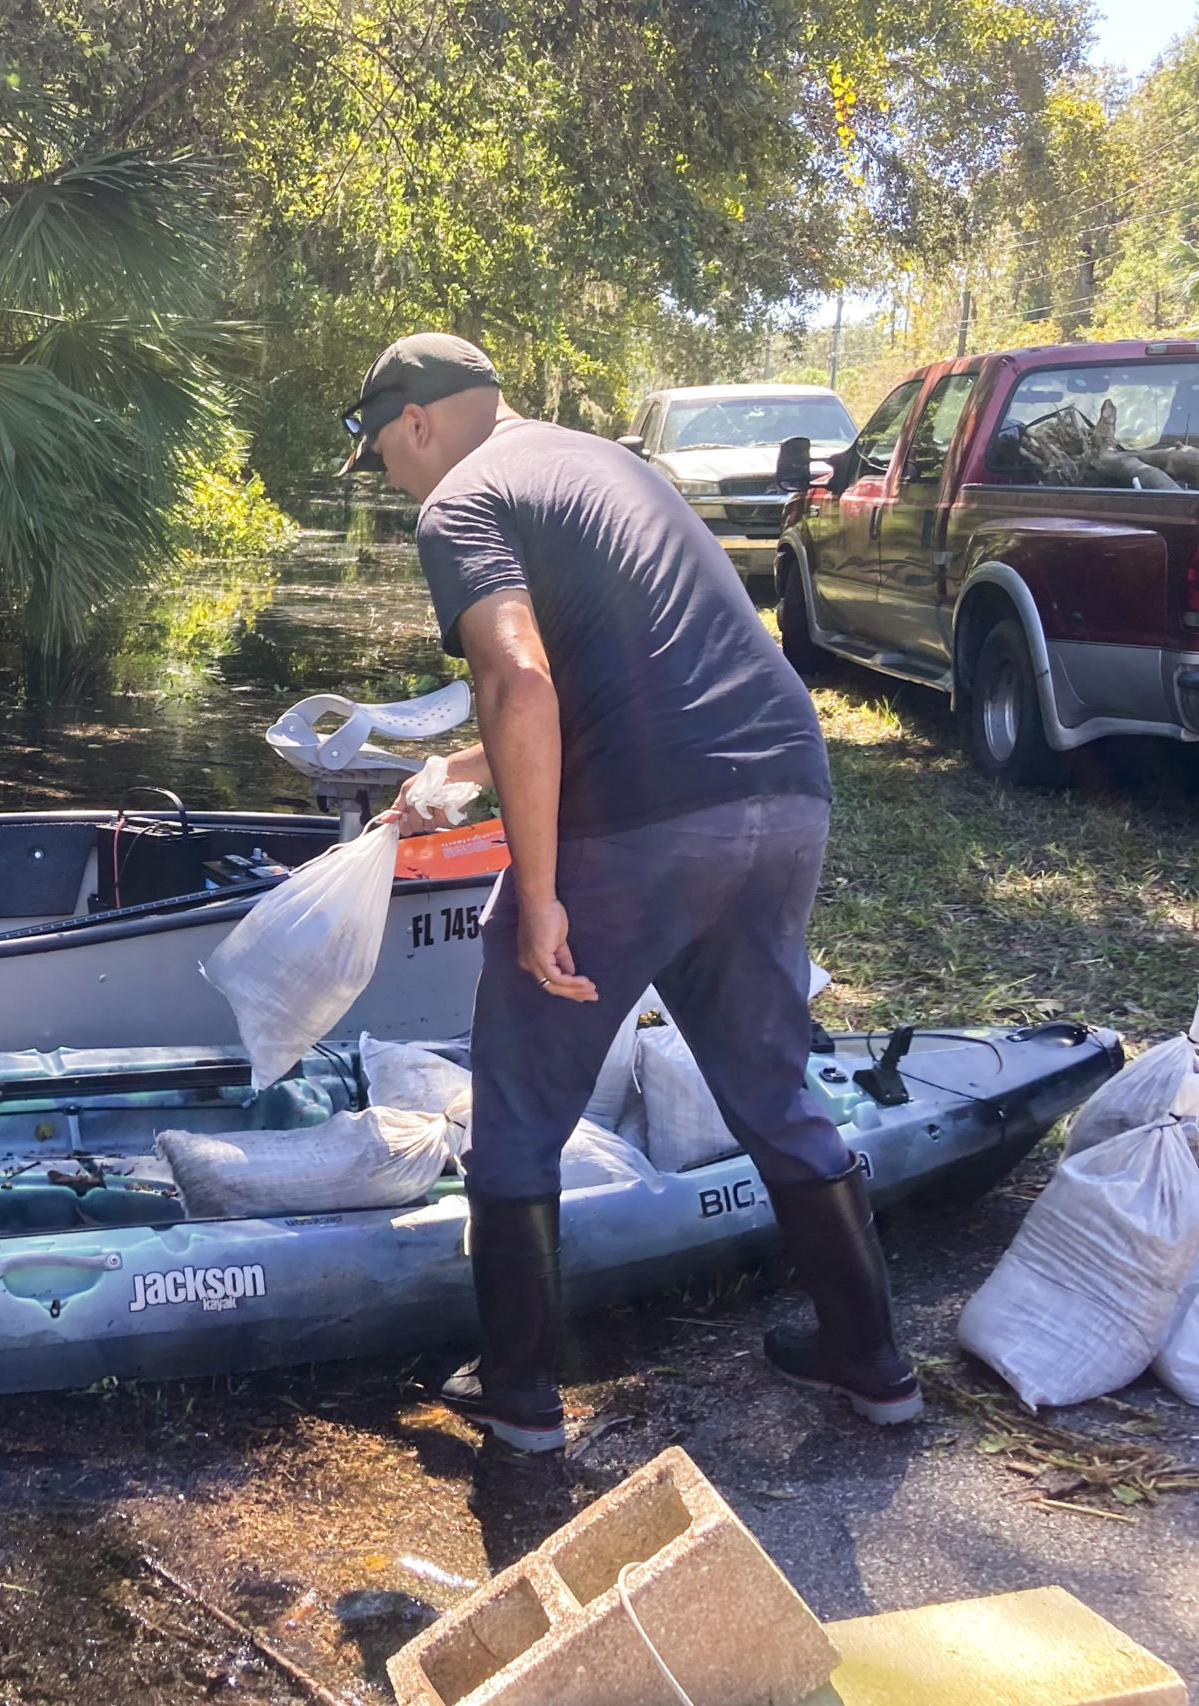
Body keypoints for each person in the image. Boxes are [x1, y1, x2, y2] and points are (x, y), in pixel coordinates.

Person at [338, 332, 919, 1452]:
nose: (397, 480)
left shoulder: (459, 499)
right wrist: (459, 776)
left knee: (515, 1104)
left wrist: (540, 889)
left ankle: (517, 1400)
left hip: (645, 820)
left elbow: (518, 677)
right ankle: (874, 1362)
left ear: (414, 421)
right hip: (780, 788)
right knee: (772, 1083)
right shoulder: (601, 462)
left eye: (386, 455)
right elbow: (618, 678)